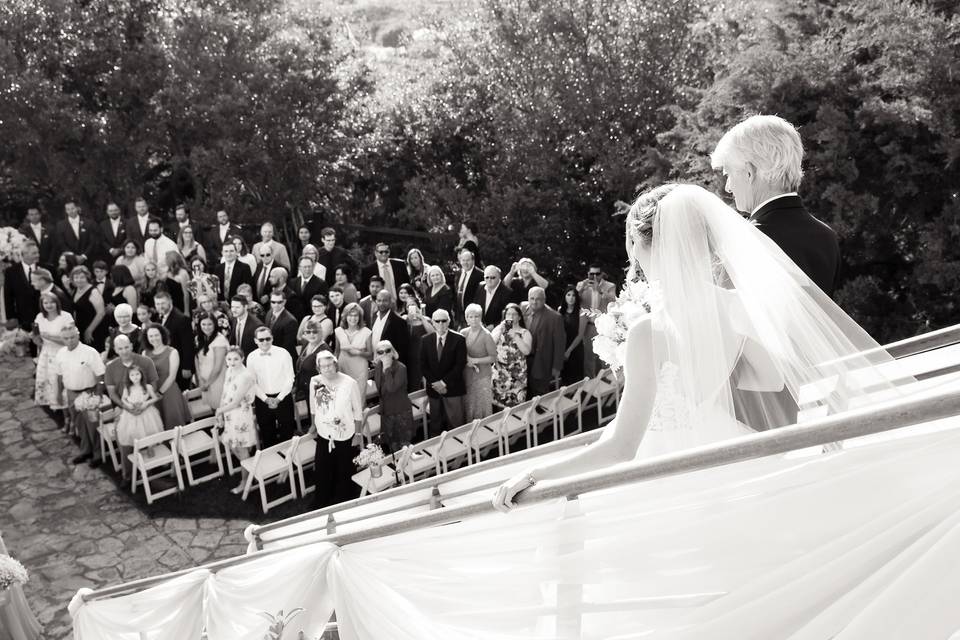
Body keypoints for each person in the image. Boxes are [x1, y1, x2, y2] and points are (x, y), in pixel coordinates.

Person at [493, 183, 900, 511]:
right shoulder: (738, 307)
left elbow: (622, 447)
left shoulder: (648, 333)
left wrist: (536, 474)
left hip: (667, 488)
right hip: (731, 471)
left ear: (638, 244)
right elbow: (772, 381)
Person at [711, 114, 841, 296]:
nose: (728, 187)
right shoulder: (827, 236)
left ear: (749, 173)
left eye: (728, 174)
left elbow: (727, 320)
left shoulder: (746, 241)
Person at [308, 352, 363, 508]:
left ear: (335, 364)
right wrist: (313, 424)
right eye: (323, 366)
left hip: (345, 434)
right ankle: (322, 499)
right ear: (318, 368)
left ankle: (342, 500)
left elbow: (357, 410)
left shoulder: (349, 383)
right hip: (324, 432)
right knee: (323, 467)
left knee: (343, 469)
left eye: (330, 365)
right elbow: (314, 406)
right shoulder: (315, 381)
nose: (327, 369)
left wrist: (358, 434)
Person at [55, 324, 106, 466]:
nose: (70, 340)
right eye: (66, 338)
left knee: (92, 425)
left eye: (72, 337)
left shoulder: (90, 352)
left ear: (78, 335)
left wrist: (98, 395)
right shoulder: (61, 353)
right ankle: (85, 450)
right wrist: (59, 393)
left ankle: (97, 454)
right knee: (79, 424)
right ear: (62, 339)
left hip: (89, 393)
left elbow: (100, 374)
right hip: (71, 394)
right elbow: (59, 376)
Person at [216, 346, 259, 494]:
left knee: (241, 448)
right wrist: (221, 414)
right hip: (229, 415)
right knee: (231, 444)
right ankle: (250, 469)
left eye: (236, 358)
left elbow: (235, 402)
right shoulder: (229, 371)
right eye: (229, 359)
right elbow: (225, 393)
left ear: (242, 358)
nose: (232, 362)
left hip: (240, 415)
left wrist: (218, 411)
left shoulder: (246, 376)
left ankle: (245, 481)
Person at [420, 309, 467, 435]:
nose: (441, 324)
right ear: (433, 323)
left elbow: (460, 365)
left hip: (453, 388)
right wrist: (436, 384)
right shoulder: (425, 340)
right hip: (434, 389)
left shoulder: (459, 339)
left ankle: (458, 452)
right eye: (437, 321)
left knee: (456, 424)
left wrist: (444, 383)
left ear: (449, 321)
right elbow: (423, 365)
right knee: (435, 423)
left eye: (444, 321)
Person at [247, 325, 295, 447]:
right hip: (262, 400)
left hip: (283, 398)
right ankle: (273, 463)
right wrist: (265, 399)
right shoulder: (251, 357)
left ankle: (290, 462)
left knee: (287, 432)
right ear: (255, 341)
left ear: (272, 338)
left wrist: (279, 398)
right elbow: (252, 382)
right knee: (267, 435)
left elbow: (290, 378)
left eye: (268, 339)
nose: (265, 342)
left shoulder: (283, 353)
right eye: (261, 340)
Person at [114, 364, 165, 481]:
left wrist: (145, 404)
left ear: (141, 375)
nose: (135, 377)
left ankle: (149, 447)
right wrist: (130, 406)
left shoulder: (147, 387)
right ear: (129, 377)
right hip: (132, 414)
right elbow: (123, 399)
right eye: (132, 375)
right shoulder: (127, 388)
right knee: (134, 432)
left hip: (146, 413)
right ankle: (138, 450)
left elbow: (155, 398)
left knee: (148, 430)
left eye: (137, 374)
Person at [142, 323, 192, 429]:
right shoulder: (144, 353)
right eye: (150, 336)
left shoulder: (172, 352)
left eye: (156, 335)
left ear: (162, 335)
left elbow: (172, 376)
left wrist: (160, 393)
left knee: (174, 426)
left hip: (169, 391)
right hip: (152, 393)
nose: (154, 338)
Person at [33, 292, 71, 428]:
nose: (49, 305)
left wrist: (50, 337)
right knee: (50, 386)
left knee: (61, 386)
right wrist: (36, 339)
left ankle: (69, 419)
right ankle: (59, 415)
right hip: (46, 354)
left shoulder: (65, 317)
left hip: (62, 354)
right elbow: (38, 339)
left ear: (57, 302)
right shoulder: (40, 318)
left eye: (51, 302)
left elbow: (70, 340)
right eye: (45, 303)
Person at [373, 339, 415, 454]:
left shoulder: (401, 368)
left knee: (404, 445)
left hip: (400, 411)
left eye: (387, 350)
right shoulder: (378, 366)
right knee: (392, 445)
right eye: (380, 352)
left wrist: (386, 369)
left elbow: (391, 388)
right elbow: (380, 389)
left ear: (393, 352)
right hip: (387, 411)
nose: (385, 354)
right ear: (377, 355)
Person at [104, 334, 159, 420]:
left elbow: (154, 385)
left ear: (131, 346)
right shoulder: (110, 367)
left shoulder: (146, 361)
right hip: (124, 409)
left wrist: (144, 405)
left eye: (126, 347)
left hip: (147, 407)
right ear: (115, 350)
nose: (124, 351)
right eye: (120, 349)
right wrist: (127, 407)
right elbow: (112, 393)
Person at [523, 286, 566, 397]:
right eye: (532, 298)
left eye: (538, 299)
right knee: (523, 391)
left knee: (539, 393)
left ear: (544, 299)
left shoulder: (555, 318)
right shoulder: (522, 310)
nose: (534, 302)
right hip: (522, 361)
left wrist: (557, 367)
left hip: (541, 362)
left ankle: (541, 413)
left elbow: (559, 344)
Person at [577, 265, 617, 377]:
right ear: (588, 274)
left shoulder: (609, 286)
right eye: (591, 274)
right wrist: (579, 291)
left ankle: (606, 382)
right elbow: (573, 300)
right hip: (588, 326)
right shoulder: (582, 285)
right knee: (589, 356)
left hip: (604, 327)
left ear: (602, 274)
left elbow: (613, 300)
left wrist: (599, 290)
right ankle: (590, 384)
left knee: (604, 356)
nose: (594, 276)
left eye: (597, 274)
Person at [461, 303, 497, 421]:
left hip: (482, 376)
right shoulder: (463, 333)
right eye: (470, 316)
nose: (474, 319)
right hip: (467, 374)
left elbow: (493, 357)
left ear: (480, 317)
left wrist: (475, 360)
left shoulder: (486, 335)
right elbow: (459, 350)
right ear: (466, 318)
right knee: (469, 402)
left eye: (476, 316)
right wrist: (466, 359)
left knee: (481, 405)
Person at [491, 303, 531, 408]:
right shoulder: (499, 329)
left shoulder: (525, 332)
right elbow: (490, 344)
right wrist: (500, 329)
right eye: (508, 314)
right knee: (498, 403)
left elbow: (527, 351)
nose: (511, 317)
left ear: (519, 317)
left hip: (517, 376)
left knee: (516, 405)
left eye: (514, 314)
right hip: (500, 373)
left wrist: (516, 336)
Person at [295, 319, 332, 427]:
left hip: (320, 391)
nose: (311, 334)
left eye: (314, 332)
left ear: (320, 332)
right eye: (308, 332)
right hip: (307, 389)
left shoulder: (324, 350)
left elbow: (328, 376)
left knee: (323, 420)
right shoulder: (307, 343)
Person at [155, 290, 194, 390]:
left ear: (170, 302)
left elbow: (188, 345)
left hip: (180, 366)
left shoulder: (181, 319)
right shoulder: (159, 317)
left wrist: (187, 367)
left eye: (163, 303)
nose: (160, 306)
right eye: (158, 304)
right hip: (167, 364)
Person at [4, 240, 42, 338]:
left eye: (38, 252)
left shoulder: (47, 269)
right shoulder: (11, 272)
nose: (38, 255)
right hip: (23, 317)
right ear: (24, 254)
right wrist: (11, 317)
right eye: (34, 253)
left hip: (44, 316)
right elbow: (8, 296)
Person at [195, 312, 229, 412]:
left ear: (215, 324)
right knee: (212, 409)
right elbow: (196, 359)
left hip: (218, 380)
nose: (206, 327)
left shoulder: (219, 340)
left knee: (221, 408)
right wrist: (200, 379)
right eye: (203, 324)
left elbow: (218, 367)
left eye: (210, 324)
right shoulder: (198, 338)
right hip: (204, 380)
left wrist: (207, 384)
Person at [335, 302, 373, 391]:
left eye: (356, 315)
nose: (353, 318)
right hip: (343, 369)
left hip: (359, 371)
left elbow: (371, 355)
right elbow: (337, 352)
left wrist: (358, 352)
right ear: (345, 316)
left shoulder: (366, 332)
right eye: (350, 315)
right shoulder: (339, 331)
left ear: (360, 317)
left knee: (359, 398)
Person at [71, 265, 108, 349]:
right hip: (80, 328)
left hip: (93, 330)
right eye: (76, 277)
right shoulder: (76, 290)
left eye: (82, 277)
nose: (79, 280)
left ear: (87, 277)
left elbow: (101, 313)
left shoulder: (93, 291)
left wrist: (89, 330)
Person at [371, 290, 410, 367]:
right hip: (375, 364)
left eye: (385, 300)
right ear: (376, 301)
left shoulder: (399, 322)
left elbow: (403, 350)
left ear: (390, 302)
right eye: (379, 300)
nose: (381, 303)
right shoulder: (374, 316)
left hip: (391, 366)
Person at [558, 285, 587, 385]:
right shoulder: (560, 310)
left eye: (573, 295)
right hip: (563, 346)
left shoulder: (582, 312)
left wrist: (569, 351)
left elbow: (580, 335)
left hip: (575, 348)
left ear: (576, 297)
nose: (571, 298)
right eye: (568, 295)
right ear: (565, 297)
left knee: (576, 377)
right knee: (565, 376)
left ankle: (578, 399)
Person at [403, 301, 435, 392]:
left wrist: (421, 317)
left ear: (418, 306)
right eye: (408, 306)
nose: (411, 307)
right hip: (411, 357)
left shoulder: (426, 319)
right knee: (413, 384)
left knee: (427, 382)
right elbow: (403, 337)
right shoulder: (404, 320)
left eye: (413, 305)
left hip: (425, 356)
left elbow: (433, 334)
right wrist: (407, 321)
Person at [289, 255, 328, 321]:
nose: (307, 269)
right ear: (299, 268)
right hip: (294, 319)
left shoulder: (321, 284)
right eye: (304, 267)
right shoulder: (292, 282)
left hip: (312, 319)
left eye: (309, 267)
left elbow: (322, 304)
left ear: (313, 267)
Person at [473, 265, 511, 331]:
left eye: (492, 277)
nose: (489, 280)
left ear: (499, 277)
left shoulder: (507, 293)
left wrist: (494, 326)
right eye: (487, 277)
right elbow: (475, 307)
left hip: (497, 331)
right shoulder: (480, 287)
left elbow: (510, 317)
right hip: (479, 328)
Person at [265, 289, 299, 362]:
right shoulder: (269, 313)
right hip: (270, 354)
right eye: (273, 302)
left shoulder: (291, 321)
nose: (276, 305)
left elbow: (287, 346)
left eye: (279, 302)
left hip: (282, 358)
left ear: (284, 302)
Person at [453, 248, 483, 327]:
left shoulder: (480, 275)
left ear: (473, 261)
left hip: (472, 316)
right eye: (463, 260)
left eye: (468, 260)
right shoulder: (458, 273)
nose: (465, 263)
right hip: (459, 315)